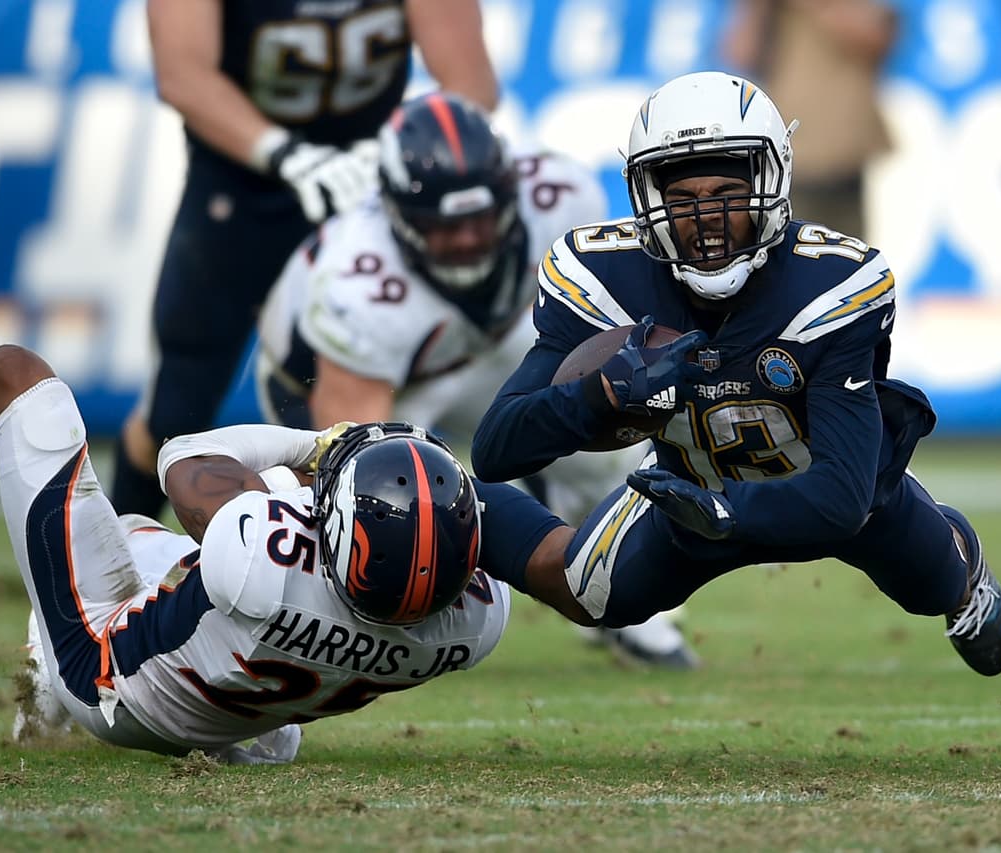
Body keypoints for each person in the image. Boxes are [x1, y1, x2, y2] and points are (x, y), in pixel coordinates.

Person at [0, 291, 587, 762]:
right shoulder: (474, 623)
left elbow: (184, 458)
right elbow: (466, 529)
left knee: (16, 379)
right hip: (232, 700)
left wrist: (323, 447)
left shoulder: (261, 553)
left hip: (107, 676)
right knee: (133, 533)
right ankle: (231, 724)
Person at [470, 71, 1001, 679]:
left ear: (770, 183)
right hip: (687, 492)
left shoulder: (830, 286)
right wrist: (600, 394)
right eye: (683, 200)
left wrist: (725, 512)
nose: (705, 217)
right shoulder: (602, 278)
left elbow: (841, 500)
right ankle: (446, 512)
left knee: (933, 585)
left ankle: (963, 557)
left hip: (831, 491)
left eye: (727, 194)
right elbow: (497, 449)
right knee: (590, 594)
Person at [256, 91, 697, 669]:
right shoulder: (357, 285)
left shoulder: (560, 195)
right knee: (384, 505)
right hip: (342, 382)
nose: (467, 239)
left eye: (479, 220)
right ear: (396, 215)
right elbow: (352, 458)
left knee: (609, 436)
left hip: (483, 345)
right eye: (444, 226)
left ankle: (612, 590)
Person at [110, 0, 500, 519]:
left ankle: (349, 550)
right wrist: (283, 153)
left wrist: (394, 155)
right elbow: (182, 74)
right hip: (240, 188)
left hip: (368, 195)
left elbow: (472, 84)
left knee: (350, 424)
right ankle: (111, 553)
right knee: (175, 414)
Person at [723, 0, 896, 239]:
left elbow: (877, 38)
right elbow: (740, 54)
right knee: (791, 247)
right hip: (795, 151)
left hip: (845, 149)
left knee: (849, 251)